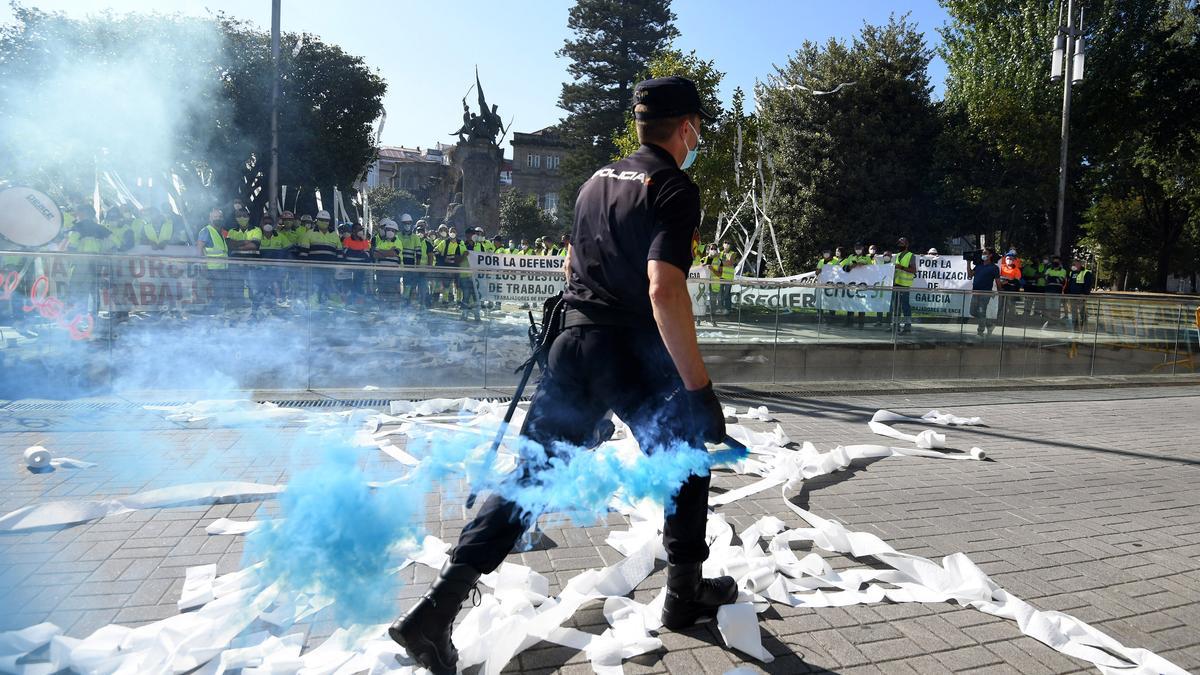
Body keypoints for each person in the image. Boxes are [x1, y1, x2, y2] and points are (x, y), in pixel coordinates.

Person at [389, 75, 733, 675]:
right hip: (627, 349)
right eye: (697, 130)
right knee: (686, 459)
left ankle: (435, 611)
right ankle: (682, 594)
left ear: (637, 124)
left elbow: (572, 261)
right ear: (687, 128)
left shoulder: (595, 181)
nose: (696, 139)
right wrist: (699, 389)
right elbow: (663, 287)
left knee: (530, 474)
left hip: (572, 343)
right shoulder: (673, 186)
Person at [302, 210, 341, 305]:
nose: (325, 222)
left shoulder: (334, 235)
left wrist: (338, 269)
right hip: (314, 270)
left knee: (332, 291)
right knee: (315, 291)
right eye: (322, 220)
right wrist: (305, 269)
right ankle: (314, 310)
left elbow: (339, 254)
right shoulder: (309, 234)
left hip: (330, 271)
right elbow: (303, 254)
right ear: (317, 220)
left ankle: (335, 310)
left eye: (327, 220)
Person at [225, 207, 262, 309]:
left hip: (252, 264)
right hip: (235, 265)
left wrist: (237, 244)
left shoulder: (256, 230)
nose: (242, 218)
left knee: (253, 287)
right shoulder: (232, 231)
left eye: (244, 216)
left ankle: (254, 309)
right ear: (236, 218)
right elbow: (229, 245)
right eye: (239, 216)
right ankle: (239, 308)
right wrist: (246, 242)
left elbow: (254, 245)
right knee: (237, 287)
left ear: (248, 217)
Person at [195, 207, 229, 311]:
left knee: (219, 292)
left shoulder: (220, 231)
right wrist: (202, 265)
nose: (217, 219)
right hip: (212, 268)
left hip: (221, 267)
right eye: (215, 217)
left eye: (219, 217)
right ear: (210, 218)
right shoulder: (206, 231)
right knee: (215, 292)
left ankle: (217, 312)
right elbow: (199, 248)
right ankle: (213, 312)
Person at [258, 214, 291, 307]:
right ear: (261, 224)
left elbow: (289, 251)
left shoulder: (280, 236)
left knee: (277, 284)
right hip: (261, 269)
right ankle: (263, 303)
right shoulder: (257, 236)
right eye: (265, 223)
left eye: (270, 223)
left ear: (273, 225)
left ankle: (278, 301)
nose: (267, 225)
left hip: (277, 269)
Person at [967, 249, 1001, 336]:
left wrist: (1000, 292)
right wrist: (968, 263)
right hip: (975, 292)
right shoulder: (979, 266)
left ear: (990, 255)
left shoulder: (994, 268)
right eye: (983, 253)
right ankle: (989, 325)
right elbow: (970, 275)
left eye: (985, 253)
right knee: (973, 312)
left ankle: (980, 332)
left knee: (982, 312)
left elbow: (998, 281)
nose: (983, 255)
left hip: (986, 293)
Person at [841, 242, 873, 328]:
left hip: (863, 283)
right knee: (851, 302)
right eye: (856, 248)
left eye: (859, 247)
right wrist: (851, 266)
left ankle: (861, 325)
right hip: (852, 283)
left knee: (862, 304)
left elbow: (872, 270)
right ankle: (849, 323)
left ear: (863, 248)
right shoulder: (851, 257)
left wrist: (863, 265)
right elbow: (843, 267)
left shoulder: (867, 257)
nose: (857, 249)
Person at [892, 237, 917, 333]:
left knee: (905, 306)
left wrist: (901, 267)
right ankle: (896, 325)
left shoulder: (911, 255)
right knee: (896, 306)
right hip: (896, 284)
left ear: (907, 245)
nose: (900, 246)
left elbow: (914, 270)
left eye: (902, 244)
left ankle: (907, 326)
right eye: (899, 244)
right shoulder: (897, 255)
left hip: (905, 285)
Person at [1066, 259, 1093, 332]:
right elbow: (1069, 284)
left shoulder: (1086, 272)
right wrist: (1067, 293)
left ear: (1080, 264)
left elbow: (1088, 285)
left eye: (1075, 264)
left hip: (1081, 296)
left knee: (1082, 312)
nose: (1074, 266)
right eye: (1073, 264)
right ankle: (1075, 327)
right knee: (1073, 312)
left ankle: (1084, 326)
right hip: (1072, 296)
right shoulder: (1072, 273)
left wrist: (1084, 294)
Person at [1042, 255, 1067, 327]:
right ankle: (1049, 322)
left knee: (1056, 308)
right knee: (1048, 307)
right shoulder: (1049, 269)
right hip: (1048, 291)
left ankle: (1056, 322)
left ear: (1060, 262)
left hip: (1057, 292)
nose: (1055, 263)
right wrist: (1055, 278)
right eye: (1054, 261)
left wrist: (1051, 278)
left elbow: (1061, 280)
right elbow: (1046, 278)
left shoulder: (1063, 271)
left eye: (1057, 261)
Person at [718, 241, 736, 313]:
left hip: (728, 277)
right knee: (720, 293)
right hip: (720, 276)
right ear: (723, 244)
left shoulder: (733, 253)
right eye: (725, 243)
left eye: (728, 243)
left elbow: (730, 262)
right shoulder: (720, 253)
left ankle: (727, 309)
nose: (727, 244)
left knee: (726, 294)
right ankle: (720, 308)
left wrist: (721, 263)